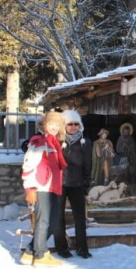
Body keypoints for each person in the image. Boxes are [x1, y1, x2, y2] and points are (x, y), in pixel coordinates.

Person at [20, 111, 67, 267]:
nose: (54, 127)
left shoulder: (53, 142)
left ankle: (29, 252)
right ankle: (40, 255)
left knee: (53, 222)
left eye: (57, 125)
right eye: (51, 123)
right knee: (44, 221)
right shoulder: (38, 141)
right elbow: (28, 164)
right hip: (41, 186)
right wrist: (30, 188)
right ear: (44, 124)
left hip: (52, 187)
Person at [52, 109, 93, 259]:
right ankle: (62, 248)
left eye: (76, 124)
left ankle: (82, 248)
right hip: (60, 184)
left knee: (80, 218)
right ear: (64, 125)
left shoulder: (85, 142)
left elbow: (88, 163)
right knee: (59, 217)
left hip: (77, 183)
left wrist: (86, 182)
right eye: (70, 124)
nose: (73, 127)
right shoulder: (56, 141)